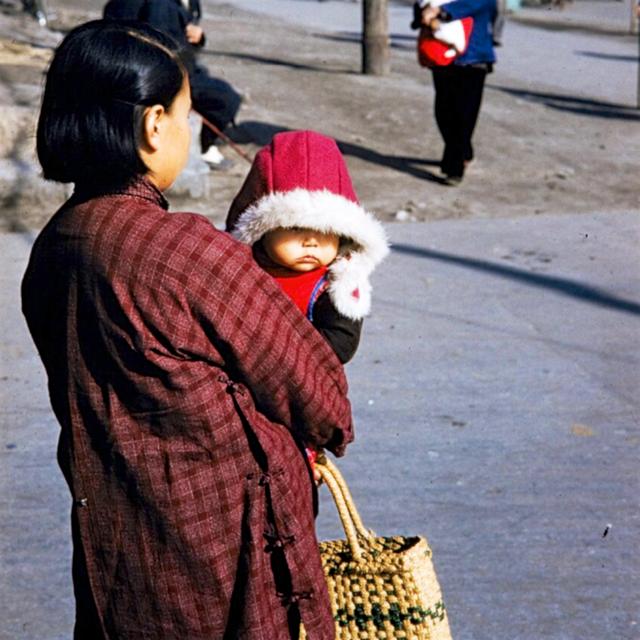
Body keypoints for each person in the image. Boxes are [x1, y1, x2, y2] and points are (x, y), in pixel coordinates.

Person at [22, 20, 353, 639]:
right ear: (153, 126)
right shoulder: (182, 250)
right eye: (184, 113)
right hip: (222, 553)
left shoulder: (54, 248)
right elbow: (322, 397)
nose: (190, 126)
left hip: (119, 553)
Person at [226, 130, 389, 365]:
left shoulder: (334, 284)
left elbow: (340, 346)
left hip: (307, 388)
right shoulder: (243, 273)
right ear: (263, 231)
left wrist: (270, 344)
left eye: (325, 231)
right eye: (294, 229)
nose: (311, 242)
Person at [103, 0, 242, 170]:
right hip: (166, 72)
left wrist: (198, 37)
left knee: (219, 90)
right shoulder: (159, 6)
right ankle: (204, 147)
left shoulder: (187, 3)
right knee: (226, 99)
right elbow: (161, 47)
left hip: (182, 65)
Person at [417, 0, 497, 185]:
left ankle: (454, 168)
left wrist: (441, 10)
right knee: (443, 112)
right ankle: (463, 152)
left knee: (464, 115)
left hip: (474, 56)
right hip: (442, 55)